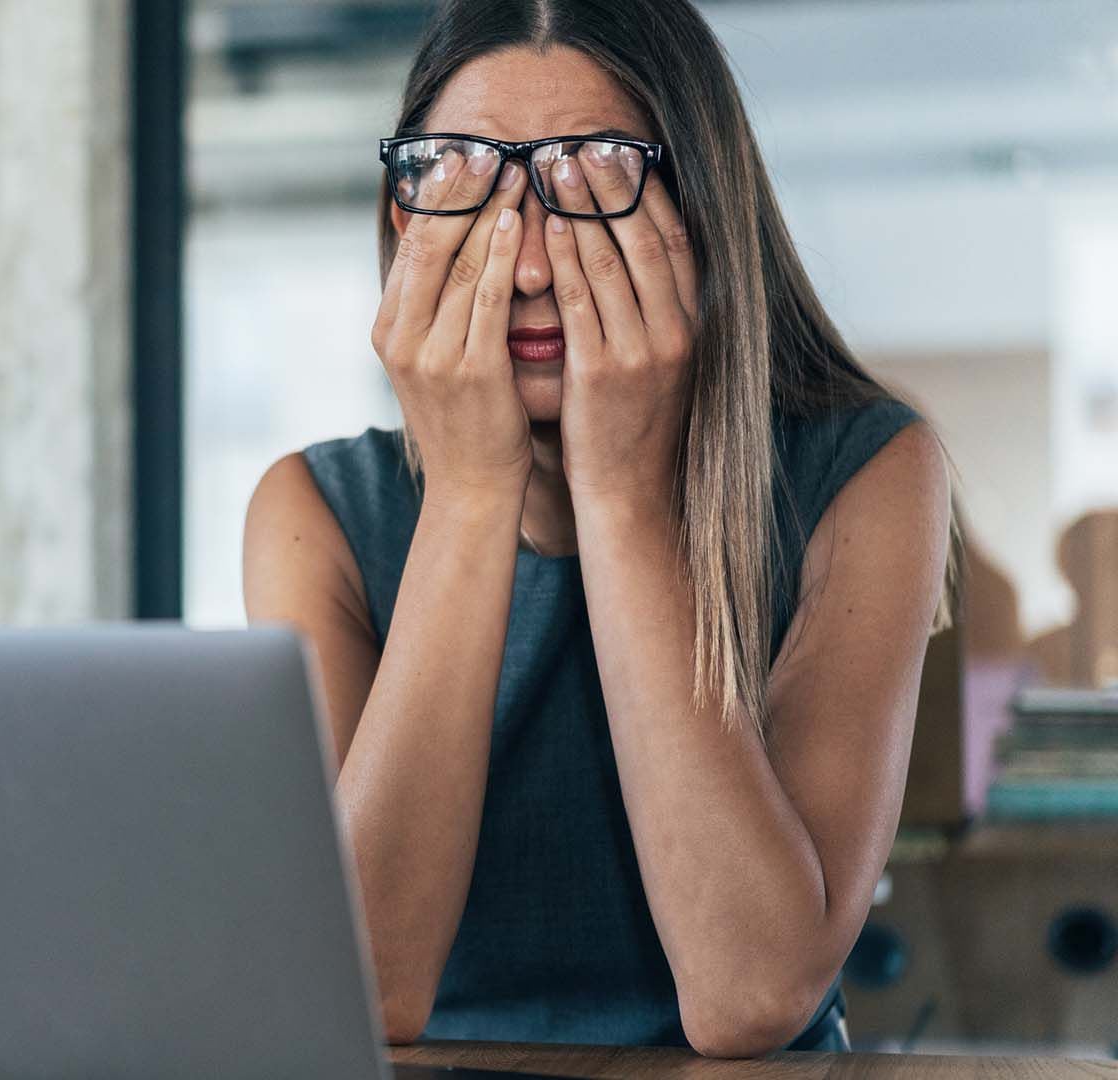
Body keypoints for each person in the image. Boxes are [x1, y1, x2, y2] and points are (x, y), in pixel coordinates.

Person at [241, 0, 956, 1058]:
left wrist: (619, 491)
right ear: (407, 221)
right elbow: (360, 990)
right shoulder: (316, 516)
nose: (528, 268)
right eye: (467, 182)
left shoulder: (869, 474)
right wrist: (472, 495)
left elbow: (752, 992)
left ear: (702, 216)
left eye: (594, 181)